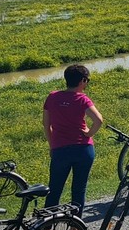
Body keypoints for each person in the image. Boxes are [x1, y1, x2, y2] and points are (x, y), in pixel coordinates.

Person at [42, 63, 105, 212]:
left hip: (60, 150)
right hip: (83, 150)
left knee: (54, 189)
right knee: (78, 189)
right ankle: (75, 226)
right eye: (87, 80)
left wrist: (52, 146)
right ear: (83, 81)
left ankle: (46, 226)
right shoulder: (82, 99)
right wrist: (89, 133)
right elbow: (99, 120)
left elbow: (46, 124)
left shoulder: (52, 97)